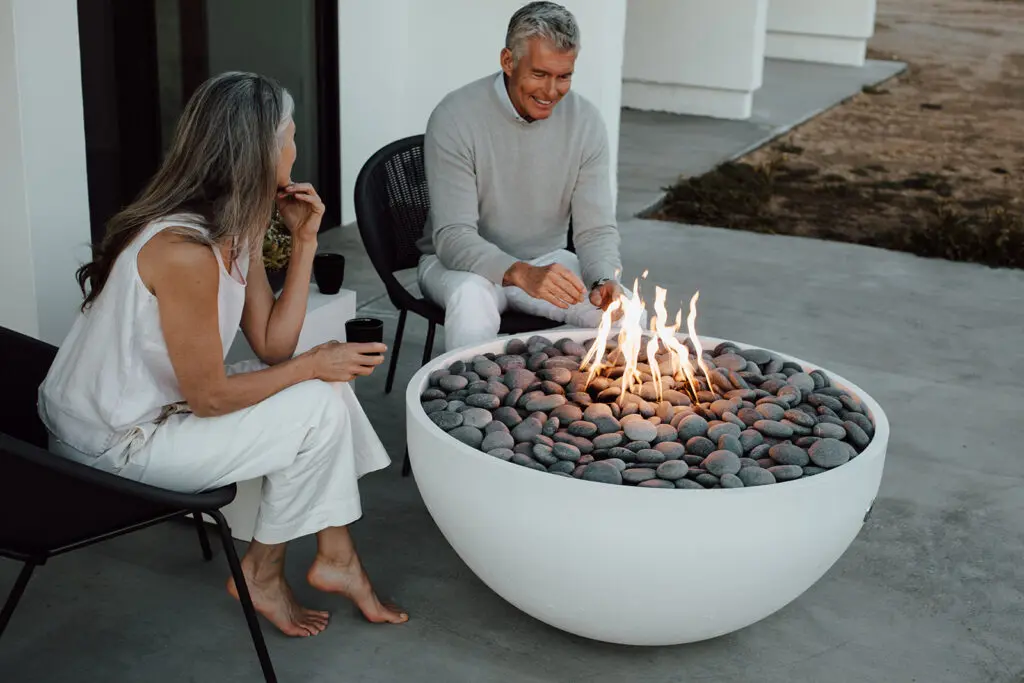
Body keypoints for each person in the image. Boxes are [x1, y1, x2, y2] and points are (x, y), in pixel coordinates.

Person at [38, 72, 407, 637]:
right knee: (317, 399)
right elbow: (210, 398)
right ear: (261, 151)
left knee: (324, 390)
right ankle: (272, 568)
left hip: (157, 408)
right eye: (289, 135)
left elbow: (272, 343)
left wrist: (305, 241)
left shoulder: (234, 226)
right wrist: (313, 364)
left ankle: (333, 556)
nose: (295, 148)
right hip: (110, 442)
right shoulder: (183, 251)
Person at [416, 1, 628, 353]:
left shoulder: (586, 122)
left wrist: (603, 277)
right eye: (540, 74)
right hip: (458, 267)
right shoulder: (455, 116)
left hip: (546, 261)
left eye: (564, 76)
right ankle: (468, 406)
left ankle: (585, 405)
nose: (551, 92)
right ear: (508, 62)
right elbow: (452, 237)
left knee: (623, 314)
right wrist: (518, 272)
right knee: (472, 301)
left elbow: (595, 229)